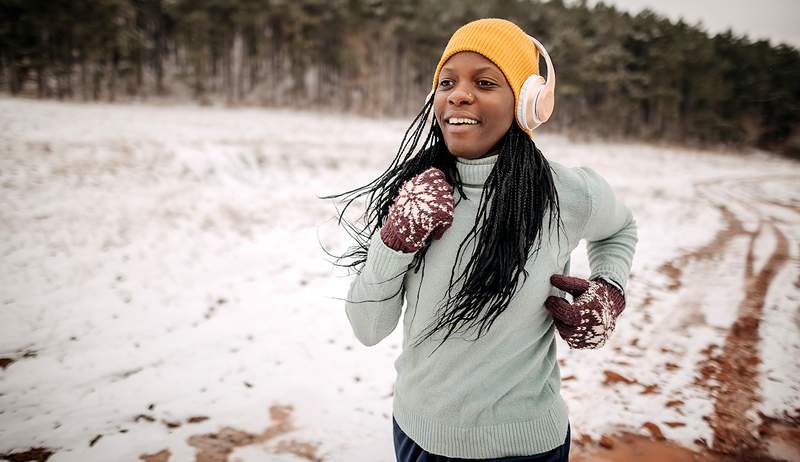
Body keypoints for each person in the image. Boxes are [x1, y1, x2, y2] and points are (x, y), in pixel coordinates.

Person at [325, 18, 637, 462]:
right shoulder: (417, 192)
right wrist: (393, 244)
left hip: (523, 448)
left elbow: (620, 228)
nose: (459, 94)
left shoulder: (568, 193)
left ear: (528, 103)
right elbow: (368, 329)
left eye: (485, 82)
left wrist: (609, 289)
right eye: (447, 82)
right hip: (416, 434)